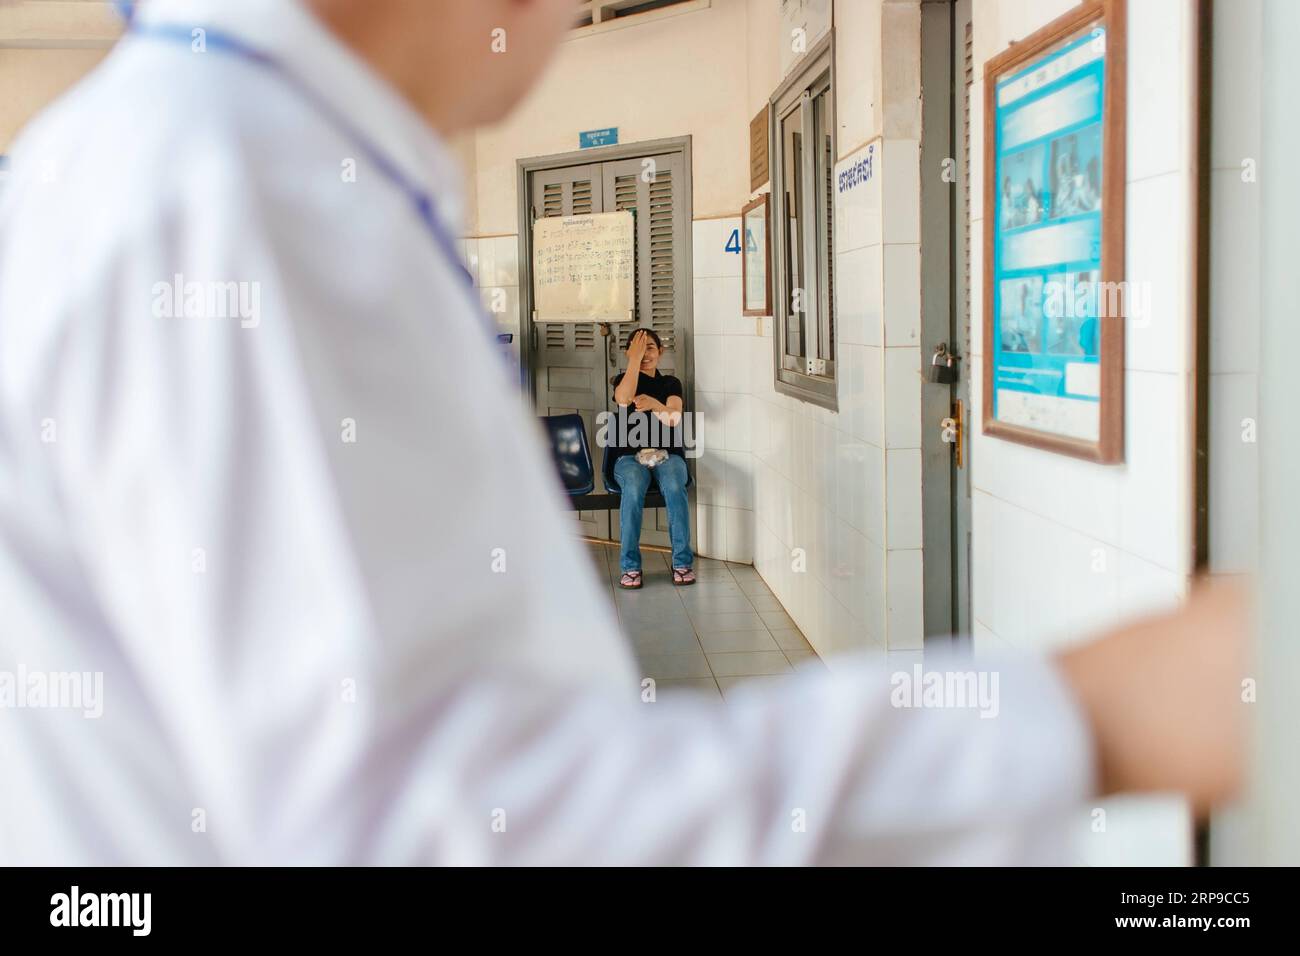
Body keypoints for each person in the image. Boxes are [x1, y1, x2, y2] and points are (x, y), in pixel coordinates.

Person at [0, 0, 1246, 865]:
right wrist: (1098, 714)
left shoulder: (230, 171)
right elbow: (461, 833)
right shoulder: (225, 199)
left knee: (657, 474)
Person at [609, 328, 693, 588]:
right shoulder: (623, 379)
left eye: (651, 349)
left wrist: (655, 405)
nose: (646, 355)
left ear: (660, 352)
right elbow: (623, 399)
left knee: (674, 487)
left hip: (667, 455)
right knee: (633, 488)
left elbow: (674, 418)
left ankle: (682, 562)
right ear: (629, 353)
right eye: (639, 349)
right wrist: (634, 360)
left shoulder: (670, 383)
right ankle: (630, 567)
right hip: (629, 457)